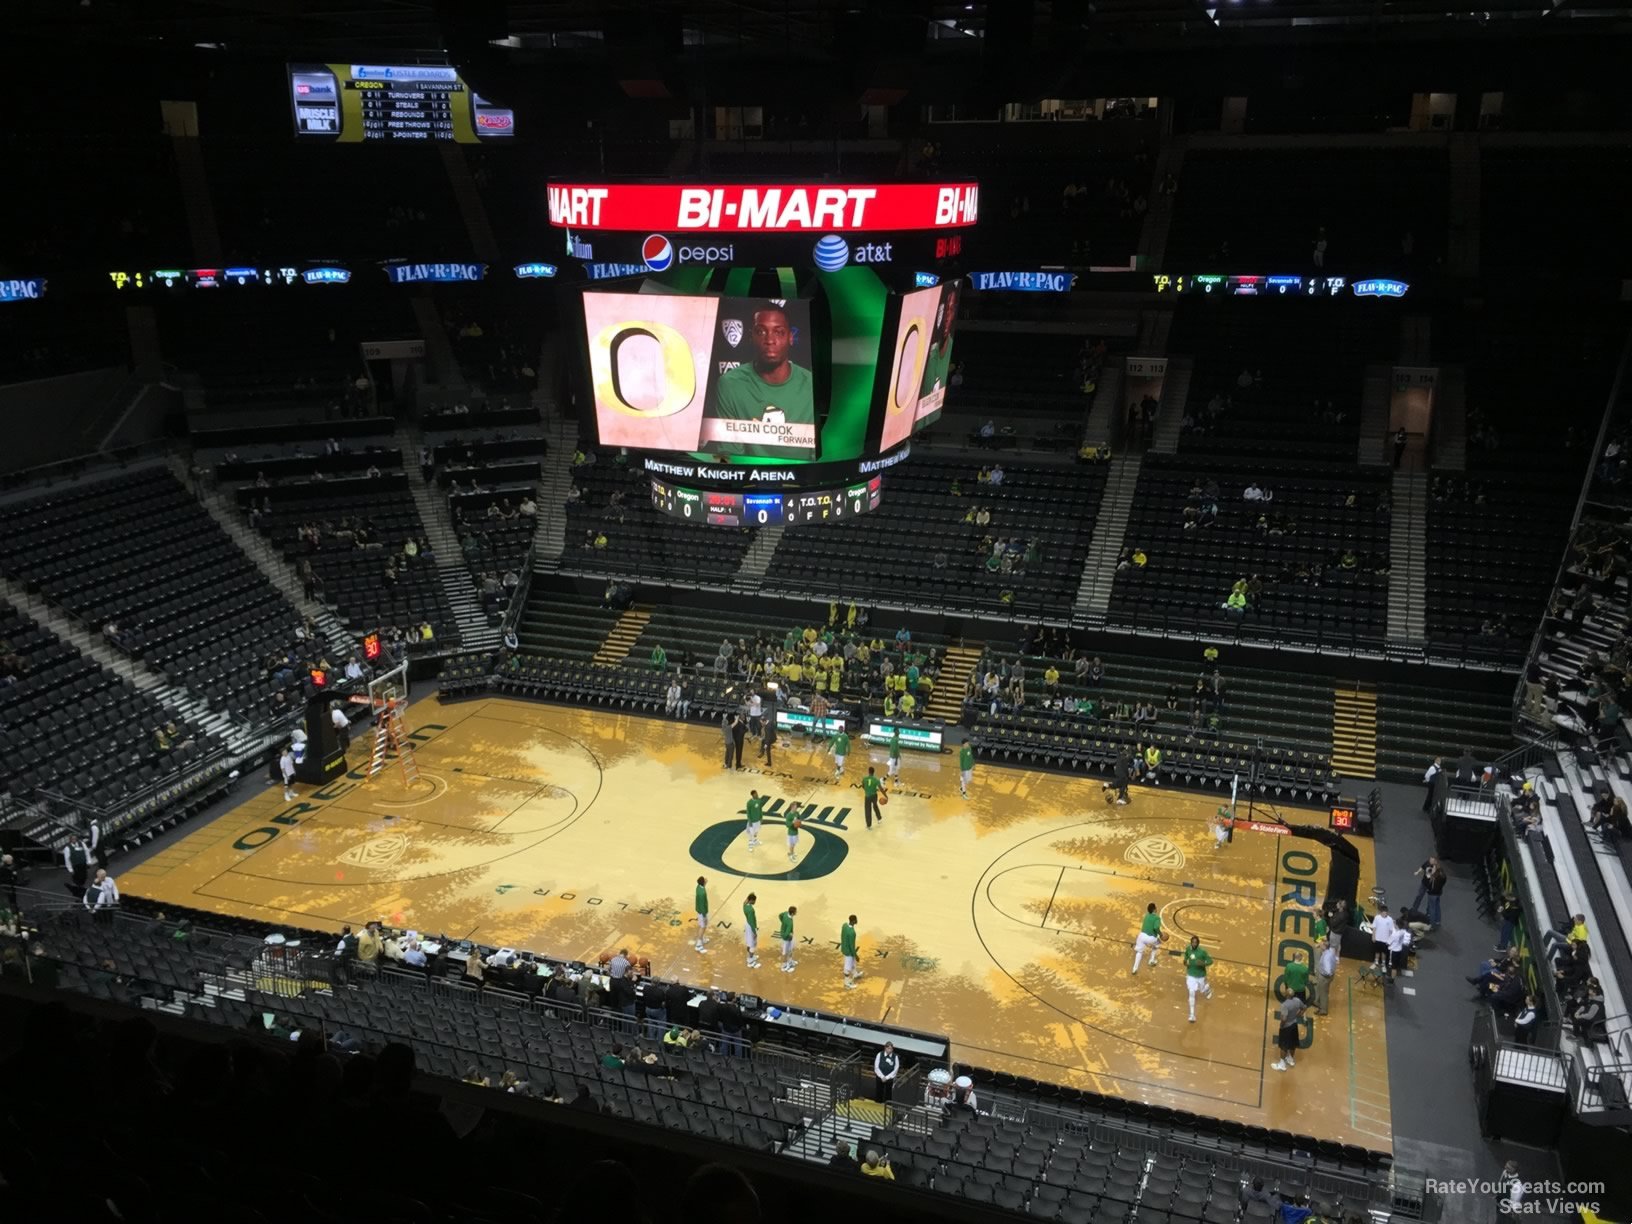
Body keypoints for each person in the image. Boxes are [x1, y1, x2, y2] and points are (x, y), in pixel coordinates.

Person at [704, 304, 816, 457]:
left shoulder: (810, 385)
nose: (769, 340)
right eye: (761, 331)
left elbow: (818, 456)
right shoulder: (730, 384)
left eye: (779, 332)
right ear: (751, 337)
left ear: (790, 337)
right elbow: (730, 453)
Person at [1271, 993, 1306, 1072]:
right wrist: (1299, 1014)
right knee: (1293, 1043)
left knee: (1283, 1046)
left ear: (1286, 995)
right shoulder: (1297, 1001)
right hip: (1294, 1025)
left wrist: (1281, 1026)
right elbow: (1304, 1007)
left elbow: (1284, 1018)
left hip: (1286, 1027)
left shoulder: (1285, 1005)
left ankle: (1282, 1064)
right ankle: (1290, 1060)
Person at [1183, 935, 1214, 1022]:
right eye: (1192, 942)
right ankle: (1192, 1015)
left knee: (1202, 990)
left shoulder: (1202, 952)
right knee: (1191, 993)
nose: (1194, 944)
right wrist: (1185, 962)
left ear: (1198, 943)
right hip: (1191, 975)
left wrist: (1203, 963)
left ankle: (1207, 988)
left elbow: (1210, 961)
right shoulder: (1188, 949)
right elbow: (1185, 957)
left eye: (1195, 943)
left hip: (1201, 975)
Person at [1410, 856, 1446, 928]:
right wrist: (1418, 872)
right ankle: (1437, 921)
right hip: (1437, 892)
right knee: (1436, 906)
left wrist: (1431, 876)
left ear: (1435, 862)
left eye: (1432, 860)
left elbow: (1431, 883)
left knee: (1432, 907)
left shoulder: (1436, 875)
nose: (1430, 861)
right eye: (1430, 859)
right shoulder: (1442, 874)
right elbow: (1423, 867)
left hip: (1432, 892)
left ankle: (1431, 923)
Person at [1131, 902, 1165, 975]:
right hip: (1150, 938)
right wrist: (1161, 934)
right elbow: (1155, 927)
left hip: (1141, 936)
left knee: (1139, 952)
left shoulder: (1146, 916)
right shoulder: (1157, 918)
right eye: (1156, 907)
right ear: (1154, 910)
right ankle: (1151, 960)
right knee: (1157, 944)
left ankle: (1134, 969)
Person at [1312, 938, 1338, 1016]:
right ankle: (1319, 1005)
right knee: (1323, 992)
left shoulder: (1326, 957)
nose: (1319, 945)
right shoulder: (1330, 952)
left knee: (1323, 994)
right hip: (1328, 977)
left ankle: (1323, 1010)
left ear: (1324, 946)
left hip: (1324, 977)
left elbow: (1328, 971)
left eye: (1321, 944)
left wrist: (1322, 973)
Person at [1369, 907, 1396, 977]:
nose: (1385, 914)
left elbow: (1390, 930)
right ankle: (1376, 962)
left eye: (1386, 913)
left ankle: (1383, 964)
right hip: (1378, 938)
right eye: (1384, 913)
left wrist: (1389, 940)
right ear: (1380, 912)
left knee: (1384, 952)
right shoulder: (1377, 918)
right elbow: (1374, 927)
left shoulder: (1390, 919)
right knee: (1377, 951)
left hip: (1385, 940)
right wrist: (1373, 936)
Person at [778, 905, 798, 973]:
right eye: (795, 912)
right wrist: (789, 937)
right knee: (785, 952)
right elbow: (787, 933)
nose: (796, 913)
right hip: (787, 938)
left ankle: (790, 961)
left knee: (790, 950)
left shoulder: (785, 913)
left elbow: (780, 915)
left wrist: (783, 922)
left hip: (785, 936)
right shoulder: (789, 922)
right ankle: (784, 966)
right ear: (792, 913)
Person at [743, 892, 761, 969]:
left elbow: (744, 901)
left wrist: (749, 894)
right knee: (752, 945)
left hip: (747, 925)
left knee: (749, 942)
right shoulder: (750, 909)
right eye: (754, 901)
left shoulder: (745, 905)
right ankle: (750, 962)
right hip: (750, 926)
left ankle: (751, 956)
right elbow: (751, 921)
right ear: (751, 900)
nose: (755, 902)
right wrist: (754, 932)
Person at [693, 876, 710, 954]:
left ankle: (702, 939)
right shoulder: (702, 893)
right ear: (703, 882)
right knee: (702, 927)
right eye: (705, 880)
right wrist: (704, 915)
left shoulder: (699, 887)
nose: (706, 880)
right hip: (702, 912)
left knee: (703, 926)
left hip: (699, 910)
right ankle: (698, 945)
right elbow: (703, 905)